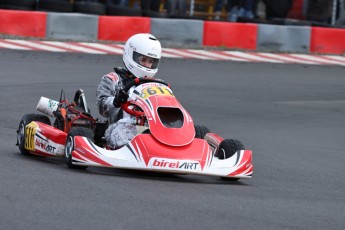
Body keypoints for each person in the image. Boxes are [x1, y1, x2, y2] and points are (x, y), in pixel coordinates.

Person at [96, 33, 162, 149]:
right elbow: (103, 109)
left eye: (151, 62)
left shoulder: (157, 85)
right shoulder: (113, 79)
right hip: (120, 128)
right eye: (144, 60)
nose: (147, 65)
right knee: (127, 134)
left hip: (152, 130)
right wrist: (116, 101)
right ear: (130, 55)